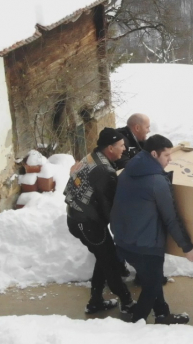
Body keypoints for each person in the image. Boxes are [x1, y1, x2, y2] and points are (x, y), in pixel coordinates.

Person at [110, 134, 193, 324]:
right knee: (152, 286)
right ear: (153, 154)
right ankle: (136, 325)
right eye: (166, 156)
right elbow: (171, 219)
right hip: (146, 245)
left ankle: (162, 314)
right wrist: (187, 247)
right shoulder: (156, 182)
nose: (170, 159)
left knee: (152, 279)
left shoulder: (129, 170)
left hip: (124, 240)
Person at [64, 128, 134, 315]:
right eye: (121, 146)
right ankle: (126, 301)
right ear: (110, 148)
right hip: (89, 224)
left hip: (75, 217)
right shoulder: (105, 171)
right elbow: (109, 207)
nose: (124, 149)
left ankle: (95, 301)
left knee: (103, 258)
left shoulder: (90, 157)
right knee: (110, 262)